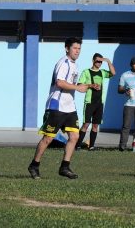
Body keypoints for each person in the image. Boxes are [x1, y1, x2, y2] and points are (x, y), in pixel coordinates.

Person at [27, 37, 88, 180]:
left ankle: (64, 167)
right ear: (67, 48)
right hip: (57, 106)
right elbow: (60, 83)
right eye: (75, 48)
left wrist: (87, 86)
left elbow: (72, 84)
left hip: (70, 107)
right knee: (48, 138)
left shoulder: (74, 65)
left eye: (79, 49)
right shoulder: (63, 63)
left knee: (74, 136)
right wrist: (77, 88)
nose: (77, 51)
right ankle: (34, 165)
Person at [76, 53, 116, 150]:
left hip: (99, 103)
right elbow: (79, 84)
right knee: (86, 124)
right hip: (89, 102)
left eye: (101, 62)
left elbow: (113, 73)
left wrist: (108, 61)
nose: (99, 63)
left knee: (95, 125)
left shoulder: (102, 72)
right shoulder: (86, 72)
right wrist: (91, 85)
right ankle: (77, 145)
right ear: (93, 60)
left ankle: (92, 146)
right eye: (98, 61)